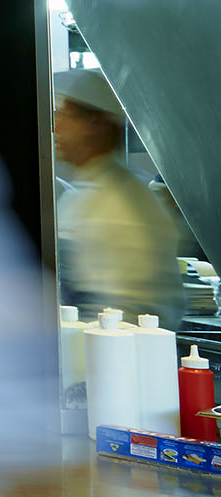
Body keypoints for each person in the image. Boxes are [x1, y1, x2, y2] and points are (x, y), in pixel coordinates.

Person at [53, 68, 181, 324]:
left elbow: (131, 311)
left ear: (93, 126)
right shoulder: (86, 194)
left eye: (66, 116)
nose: (56, 126)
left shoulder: (123, 206)